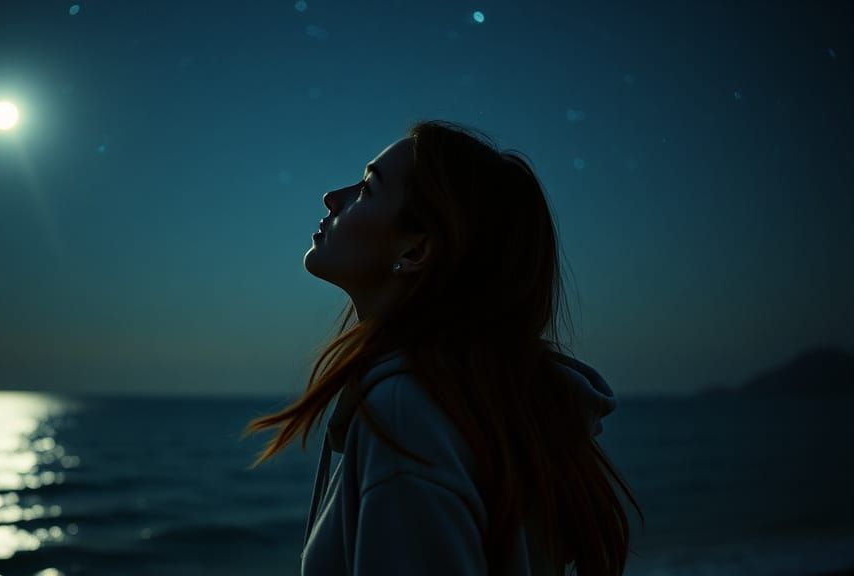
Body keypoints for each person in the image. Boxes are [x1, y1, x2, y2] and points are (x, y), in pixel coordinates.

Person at [240, 120, 644, 575]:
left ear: (415, 253)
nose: (333, 197)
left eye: (368, 189)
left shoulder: (405, 415)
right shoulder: (482, 408)